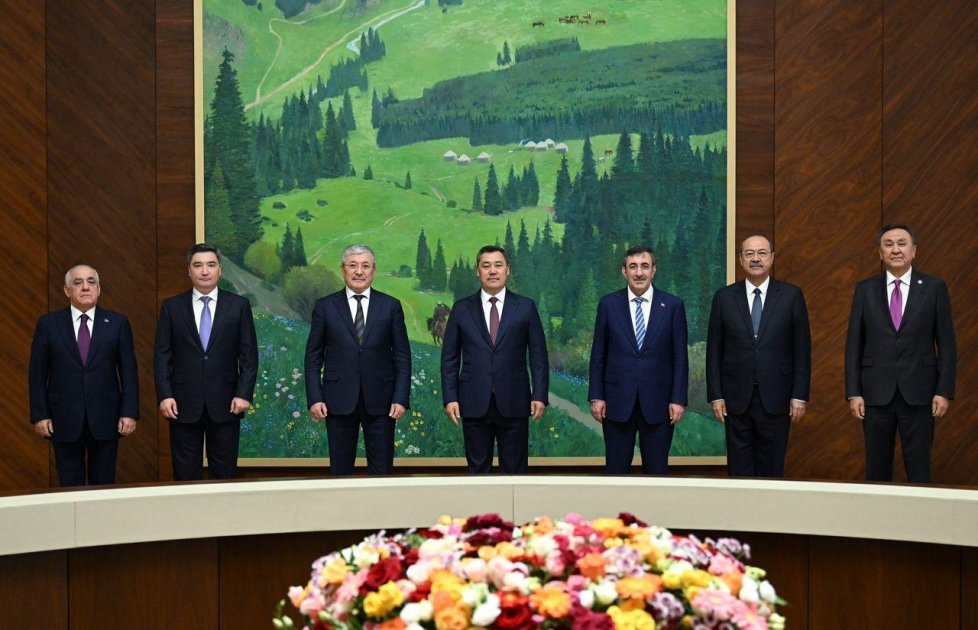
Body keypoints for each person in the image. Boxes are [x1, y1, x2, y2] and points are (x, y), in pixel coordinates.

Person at [845, 224, 956, 483]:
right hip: (875, 394)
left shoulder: (934, 287)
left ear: (913, 250)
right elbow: (854, 345)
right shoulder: (865, 289)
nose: (895, 250)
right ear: (880, 253)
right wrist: (854, 392)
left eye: (902, 244)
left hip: (920, 393)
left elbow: (947, 344)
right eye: (889, 244)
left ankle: (920, 512)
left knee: (919, 469)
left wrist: (943, 391)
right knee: (877, 470)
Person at [706, 235, 811, 477]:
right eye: (749, 253)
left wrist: (799, 395)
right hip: (735, 398)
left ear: (772, 258)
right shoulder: (724, 298)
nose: (756, 258)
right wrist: (716, 395)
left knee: (771, 470)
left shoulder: (791, 295)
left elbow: (801, 349)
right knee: (739, 471)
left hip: (777, 397)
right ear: (741, 259)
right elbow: (714, 350)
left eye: (762, 253)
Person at [154, 243, 258, 481]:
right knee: (185, 475)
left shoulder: (239, 306)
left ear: (219, 269)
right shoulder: (172, 307)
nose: (204, 271)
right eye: (198, 265)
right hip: (182, 404)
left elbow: (249, 355)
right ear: (188, 270)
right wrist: (165, 395)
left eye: (211, 265)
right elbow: (162, 355)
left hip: (227, 402)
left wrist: (243, 394)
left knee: (224, 475)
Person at [304, 245, 411, 475]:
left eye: (365, 266)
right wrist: (315, 397)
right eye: (353, 265)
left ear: (374, 270)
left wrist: (401, 398)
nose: (359, 271)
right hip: (337, 400)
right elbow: (313, 357)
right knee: (340, 472)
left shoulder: (390, 306)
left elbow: (402, 357)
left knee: (382, 472)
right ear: (343, 270)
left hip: (382, 402)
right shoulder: (325, 307)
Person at [441, 245, 548, 474]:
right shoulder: (461, 309)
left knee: (515, 472)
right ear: (477, 271)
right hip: (473, 401)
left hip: (515, 401)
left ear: (507, 270)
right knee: (478, 472)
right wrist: (450, 397)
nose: (492, 271)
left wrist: (539, 395)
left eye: (498, 265)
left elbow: (538, 356)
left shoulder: (525, 307)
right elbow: (449, 359)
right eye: (486, 265)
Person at [28, 265, 139, 486]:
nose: (85, 287)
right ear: (67, 290)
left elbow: (129, 371)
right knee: (70, 484)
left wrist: (129, 413)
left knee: (103, 485)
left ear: (99, 289)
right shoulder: (48, 324)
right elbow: (37, 374)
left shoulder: (117, 323)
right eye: (78, 283)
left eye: (91, 282)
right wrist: (40, 414)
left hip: (106, 417)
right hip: (63, 418)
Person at [588, 245, 688, 475]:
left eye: (645, 266)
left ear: (654, 270)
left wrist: (678, 399)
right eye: (633, 266)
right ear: (624, 271)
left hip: (659, 404)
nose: (639, 272)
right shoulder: (608, 305)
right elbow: (598, 355)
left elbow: (680, 358)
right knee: (616, 472)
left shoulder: (672, 306)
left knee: (657, 473)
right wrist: (596, 396)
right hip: (616, 403)